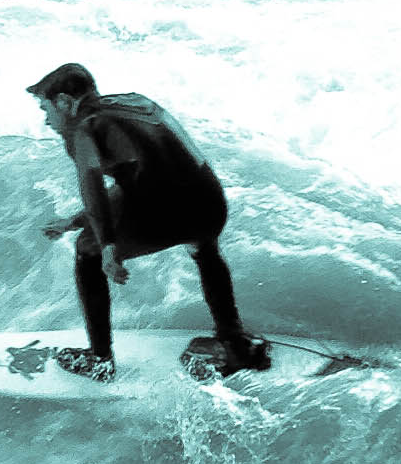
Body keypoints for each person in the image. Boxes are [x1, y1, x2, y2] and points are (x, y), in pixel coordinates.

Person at [29, 62, 269, 381]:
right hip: (211, 204)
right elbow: (140, 180)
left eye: (45, 108)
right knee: (203, 248)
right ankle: (234, 341)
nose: (46, 120)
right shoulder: (136, 102)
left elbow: (93, 189)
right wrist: (73, 221)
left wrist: (107, 246)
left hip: (175, 210)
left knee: (87, 249)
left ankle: (100, 360)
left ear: (64, 102)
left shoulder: (83, 129)